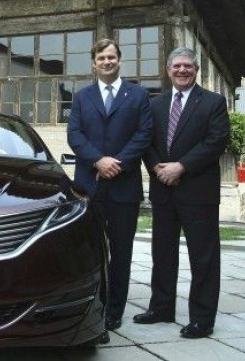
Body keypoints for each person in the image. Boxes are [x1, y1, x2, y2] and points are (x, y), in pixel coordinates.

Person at [133, 47, 229, 339]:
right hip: (163, 190)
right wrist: (158, 169)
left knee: (203, 257)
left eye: (188, 66)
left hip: (198, 192)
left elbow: (216, 142)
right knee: (162, 253)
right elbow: (145, 141)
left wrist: (181, 167)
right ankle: (161, 307)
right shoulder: (156, 104)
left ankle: (202, 319)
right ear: (168, 70)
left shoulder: (213, 102)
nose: (182, 71)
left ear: (196, 70)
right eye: (177, 66)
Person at [67, 38, 153, 342]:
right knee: (89, 252)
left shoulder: (138, 95)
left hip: (124, 186)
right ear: (93, 63)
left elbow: (144, 134)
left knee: (121, 251)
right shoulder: (81, 97)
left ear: (119, 60)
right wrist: (97, 160)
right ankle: (91, 305)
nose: (107, 62)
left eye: (111, 57)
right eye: (101, 57)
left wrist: (119, 163)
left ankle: (114, 310)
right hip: (88, 187)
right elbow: (74, 135)